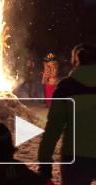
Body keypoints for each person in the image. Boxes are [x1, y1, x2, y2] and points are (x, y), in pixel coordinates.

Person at [38, 44, 96, 184]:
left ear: (75, 62)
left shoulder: (65, 87)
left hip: (75, 157)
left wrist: (45, 164)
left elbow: (53, 129)